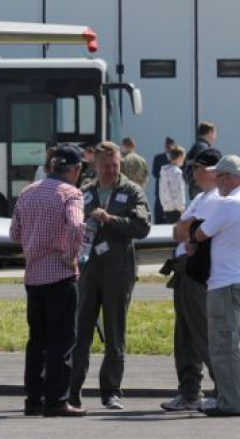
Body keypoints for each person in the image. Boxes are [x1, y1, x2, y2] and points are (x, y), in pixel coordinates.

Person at [70, 141, 151, 410]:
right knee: (80, 333)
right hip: (88, 271)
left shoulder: (131, 191)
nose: (110, 170)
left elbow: (142, 227)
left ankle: (111, 391)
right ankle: (72, 392)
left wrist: (111, 220)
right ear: (95, 165)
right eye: (105, 166)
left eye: (115, 165)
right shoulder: (84, 193)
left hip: (118, 271)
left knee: (115, 334)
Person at [10, 144, 87, 418]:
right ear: (76, 170)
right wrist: (70, 255)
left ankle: (34, 399)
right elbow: (76, 226)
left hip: (33, 277)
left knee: (37, 340)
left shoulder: (27, 192)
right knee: (62, 340)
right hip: (60, 275)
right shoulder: (71, 194)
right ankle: (56, 400)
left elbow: (14, 233)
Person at [191, 154, 240, 417]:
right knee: (235, 345)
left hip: (226, 285)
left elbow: (199, 233)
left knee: (224, 346)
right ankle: (232, 398)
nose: (216, 181)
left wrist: (192, 234)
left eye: (220, 176)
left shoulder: (230, 204)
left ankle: (233, 402)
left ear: (232, 177)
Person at [160, 147, 222, 412]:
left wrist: (184, 228)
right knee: (184, 336)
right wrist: (184, 228)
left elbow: (187, 230)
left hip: (196, 273)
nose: (193, 172)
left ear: (211, 171)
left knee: (202, 333)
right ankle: (189, 392)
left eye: (197, 167)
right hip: (183, 271)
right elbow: (178, 231)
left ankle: (224, 390)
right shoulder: (200, 197)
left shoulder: (215, 198)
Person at [184, 122, 217, 199]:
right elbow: (204, 168)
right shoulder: (203, 148)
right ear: (210, 132)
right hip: (200, 187)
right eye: (215, 133)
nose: (215, 137)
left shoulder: (197, 146)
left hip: (195, 185)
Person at [159, 146, 186, 224]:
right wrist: (181, 208)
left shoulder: (164, 171)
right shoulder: (177, 172)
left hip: (167, 207)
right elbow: (178, 191)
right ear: (179, 157)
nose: (184, 160)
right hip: (176, 208)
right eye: (183, 158)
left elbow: (161, 190)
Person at [152, 137, 176, 224]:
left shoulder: (177, 158)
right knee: (159, 212)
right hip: (161, 189)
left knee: (172, 215)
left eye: (170, 145)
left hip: (173, 190)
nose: (168, 147)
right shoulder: (158, 158)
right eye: (167, 145)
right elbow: (155, 172)